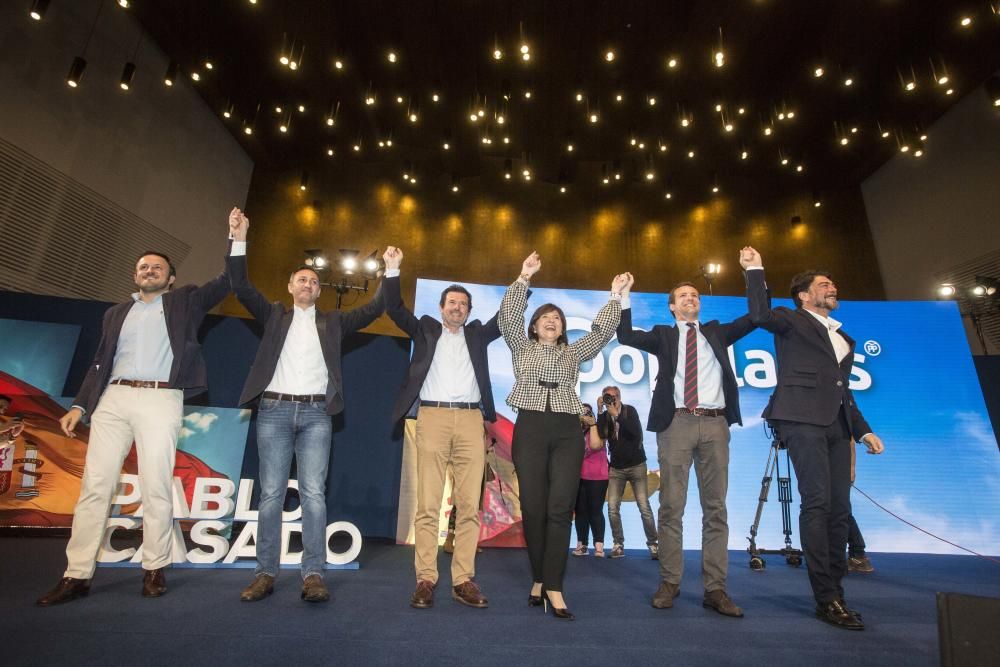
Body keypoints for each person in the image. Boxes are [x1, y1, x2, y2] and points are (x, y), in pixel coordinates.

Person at [37, 210, 241, 606]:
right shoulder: (116, 313)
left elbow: (229, 280)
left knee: (155, 484)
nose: (150, 270)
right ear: (135, 275)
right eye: (144, 266)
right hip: (113, 399)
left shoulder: (184, 303)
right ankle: (76, 574)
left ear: (171, 278)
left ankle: (154, 568)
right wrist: (80, 404)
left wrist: (236, 237)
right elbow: (100, 361)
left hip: (160, 398)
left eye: (158, 267)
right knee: (95, 487)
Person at [226, 211, 386, 603]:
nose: (309, 284)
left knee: (314, 493)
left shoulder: (332, 323)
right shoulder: (273, 315)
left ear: (319, 291)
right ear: (290, 285)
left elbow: (373, 310)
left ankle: (313, 574)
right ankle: (265, 573)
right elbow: (240, 285)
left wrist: (390, 274)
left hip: (316, 415)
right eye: (303, 279)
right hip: (274, 412)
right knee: (270, 495)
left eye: (314, 281)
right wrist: (240, 238)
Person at [742, 246, 885, 630]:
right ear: (805, 295)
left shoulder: (844, 339)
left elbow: (844, 391)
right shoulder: (792, 319)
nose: (832, 287)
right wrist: (756, 269)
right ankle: (825, 597)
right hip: (801, 421)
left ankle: (836, 592)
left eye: (832, 283)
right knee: (818, 503)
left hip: (839, 426)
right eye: (824, 285)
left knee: (840, 509)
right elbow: (759, 314)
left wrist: (863, 429)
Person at [616, 270, 756, 617]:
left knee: (716, 509)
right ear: (672, 307)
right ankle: (669, 582)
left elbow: (756, 317)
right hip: (675, 423)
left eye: (695, 295)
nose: (690, 299)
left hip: (715, 424)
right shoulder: (663, 335)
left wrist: (753, 273)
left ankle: (715, 588)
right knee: (671, 507)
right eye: (683, 296)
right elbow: (625, 336)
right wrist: (623, 296)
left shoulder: (718, 332)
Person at [499, 251, 625, 620]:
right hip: (532, 427)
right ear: (535, 327)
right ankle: (539, 577)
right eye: (545, 318)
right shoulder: (520, 346)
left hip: (568, 430)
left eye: (557, 319)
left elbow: (602, 333)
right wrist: (524, 277)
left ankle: (553, 585)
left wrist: (614, 297)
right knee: (533, 509)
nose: (551, 321)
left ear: (562, 328)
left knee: (559, 510)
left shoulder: (573, 352)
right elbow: (508, 316)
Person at [383, 247, 500, 610]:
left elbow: (506, 317)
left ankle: (463, 579)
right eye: (452, 302)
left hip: (469, 420)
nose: (457, 307)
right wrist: (392, 269)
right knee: (428, 505)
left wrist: (524, 279)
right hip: (431, 418)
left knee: (469, 507)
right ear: (441, 307)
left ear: (469, 311)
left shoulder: (478, 335)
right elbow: (395, 309)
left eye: (463, 304)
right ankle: (425, 579)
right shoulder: (425, 328)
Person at [598, 385, 658, 560]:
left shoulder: (629, 411)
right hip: (616, 468)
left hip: (636, 465)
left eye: (613, 397)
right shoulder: (605, 415)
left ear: (619, 396)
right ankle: (618, 545)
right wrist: (601, 410)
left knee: (644, 507)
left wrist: (616, 414)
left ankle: (654, 545)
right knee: (612, 508)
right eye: (607, 397)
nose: (611, 400)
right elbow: (601, 435)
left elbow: (634, 432)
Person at [572, 403, 608, 558]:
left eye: (588, 413)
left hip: (598, 476)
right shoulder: (573, 432)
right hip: (578, 476)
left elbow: (594, 446)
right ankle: (582, 544)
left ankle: (599, 546)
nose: (585, 416)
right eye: (582, 413)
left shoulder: (598, 428)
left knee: (595, 510)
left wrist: (592, 424)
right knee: (580, 511)